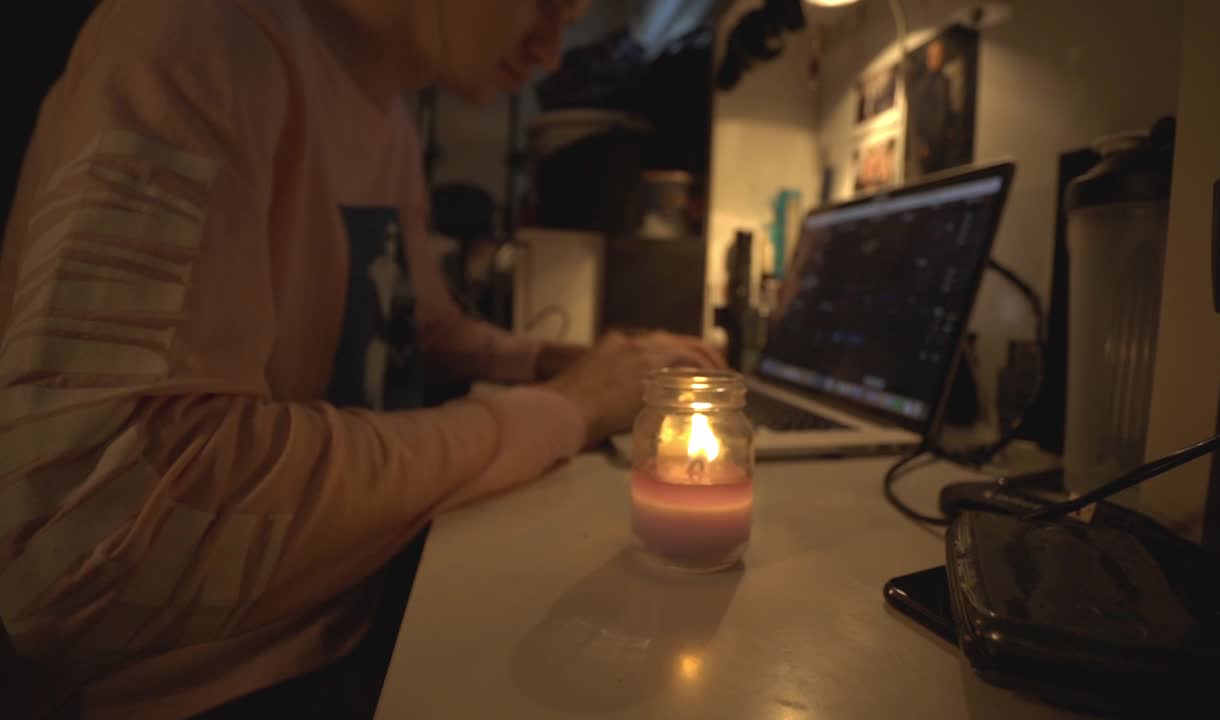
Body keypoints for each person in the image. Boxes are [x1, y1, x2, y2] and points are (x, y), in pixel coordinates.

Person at [0, 0, 724, 718]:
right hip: (211, 680)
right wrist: (565, 408)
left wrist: (563, 359)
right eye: (546, 5)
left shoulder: (390, 119)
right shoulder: (196, 32)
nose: (551, 53)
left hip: (364, 597)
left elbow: (421, 329)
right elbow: (90, 532)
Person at [908, 38, 954, 176]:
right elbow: (917, 115)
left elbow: (947, 110)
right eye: (934, 54)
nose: (938, 57)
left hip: (944, 146)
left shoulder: (945, 81)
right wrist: (922, 142)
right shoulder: (921, 85)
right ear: (929, 56)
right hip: (928, 146)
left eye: (940, 53)